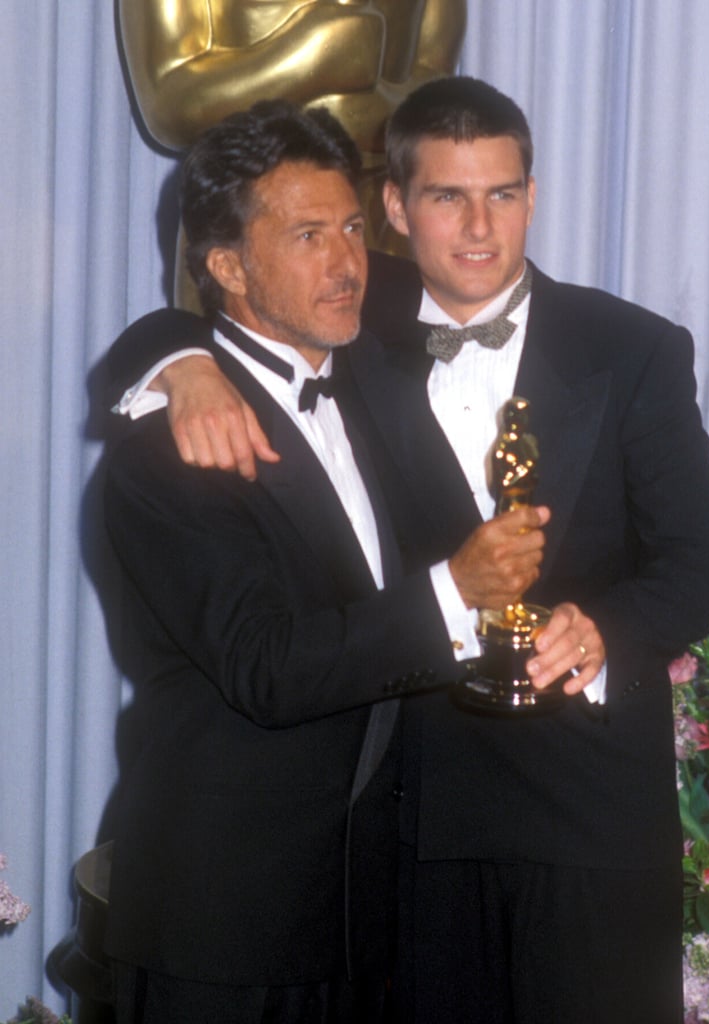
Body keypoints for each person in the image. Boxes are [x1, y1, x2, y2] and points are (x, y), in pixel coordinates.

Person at [107, 78, 709, 1023]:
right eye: (447, 196)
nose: (479, 229)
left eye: (503, 194)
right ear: (399, 210)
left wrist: (604, 628)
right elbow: (225, 303)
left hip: (593, 810)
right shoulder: (355, 324)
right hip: (418, 822)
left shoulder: (633, 345)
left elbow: (701, 564)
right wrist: (178, 362)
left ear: (533, 196)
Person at [101, 96, 549, 1024]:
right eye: (309, 236)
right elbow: (268, 668)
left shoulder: (371, 374)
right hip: (225, 927)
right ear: (228, 266)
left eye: (351, 226)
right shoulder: (170, 451)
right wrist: (456, 592)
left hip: (368, 920)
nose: (348, 263)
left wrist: (173, 350)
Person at [118, 0, 467, 300]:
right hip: (248, 222)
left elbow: (439, 87)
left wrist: (360, 109)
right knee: (235, 356)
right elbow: (166, 105)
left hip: (388, 222)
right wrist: (311, 55)